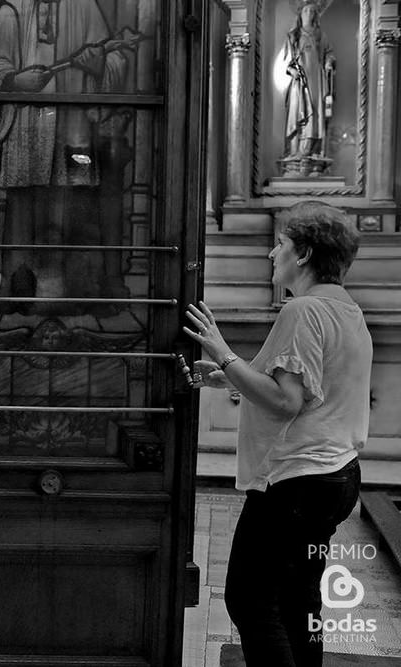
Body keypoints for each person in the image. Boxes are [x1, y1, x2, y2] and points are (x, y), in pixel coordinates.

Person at [183, 201, 371, 666]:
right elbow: (309, 388)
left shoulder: (303, 311)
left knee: (249, 602)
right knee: (299, 603)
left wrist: (223, 352)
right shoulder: (346, 311)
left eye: (281, 244)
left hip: (296, 482)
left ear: (303, 253)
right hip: (336, 476)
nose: (272, 253)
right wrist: (227, 375)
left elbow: (288, 400)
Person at [0, 0, 131, 315]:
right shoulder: (12, 12)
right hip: (27, 133)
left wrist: (99, 65)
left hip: (74, 133)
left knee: (79, 207)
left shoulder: (85, 9)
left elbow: (118, 59)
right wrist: (14, 81)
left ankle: (83, 291)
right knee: (23, 207)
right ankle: (19, 292)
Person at [280, 0, 335, 167]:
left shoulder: (320, 35)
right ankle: (295, 150)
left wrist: (328, 62)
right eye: (306, 11)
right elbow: (285, 61)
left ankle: (311, 150)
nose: (309, 14)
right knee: (298, 111)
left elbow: (329, 52)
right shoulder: (293, 36)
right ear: (300, 13)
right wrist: (292, 70)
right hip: (299, 81)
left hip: (316, 80)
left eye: (312, 11)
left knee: (316, 110)